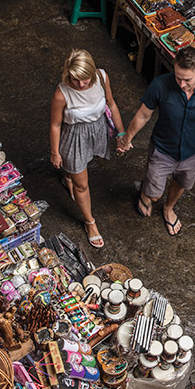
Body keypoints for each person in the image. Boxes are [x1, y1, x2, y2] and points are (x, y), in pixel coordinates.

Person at [118, 47, 195, 235]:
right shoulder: (160, 85)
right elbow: (144, 115)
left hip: (191, 152)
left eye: (188, 79)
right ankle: (146, 193)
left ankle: (168, 209)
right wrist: (126, 139)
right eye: (178, 77)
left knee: (182, 183)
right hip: (162, 149)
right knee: (154, 194)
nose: (182, 84)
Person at [50, 49, 125, 248]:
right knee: (82, 184)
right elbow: (56, 125)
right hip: (74, 136)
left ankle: (68, 178)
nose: (81, 85)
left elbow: (111, 104)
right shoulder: (62, 93)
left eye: (85, 80)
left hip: (97, 128)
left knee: (78, 169)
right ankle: (90, 222)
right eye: (76, 80)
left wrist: (121, 133)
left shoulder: (101, 77)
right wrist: (55, 152)